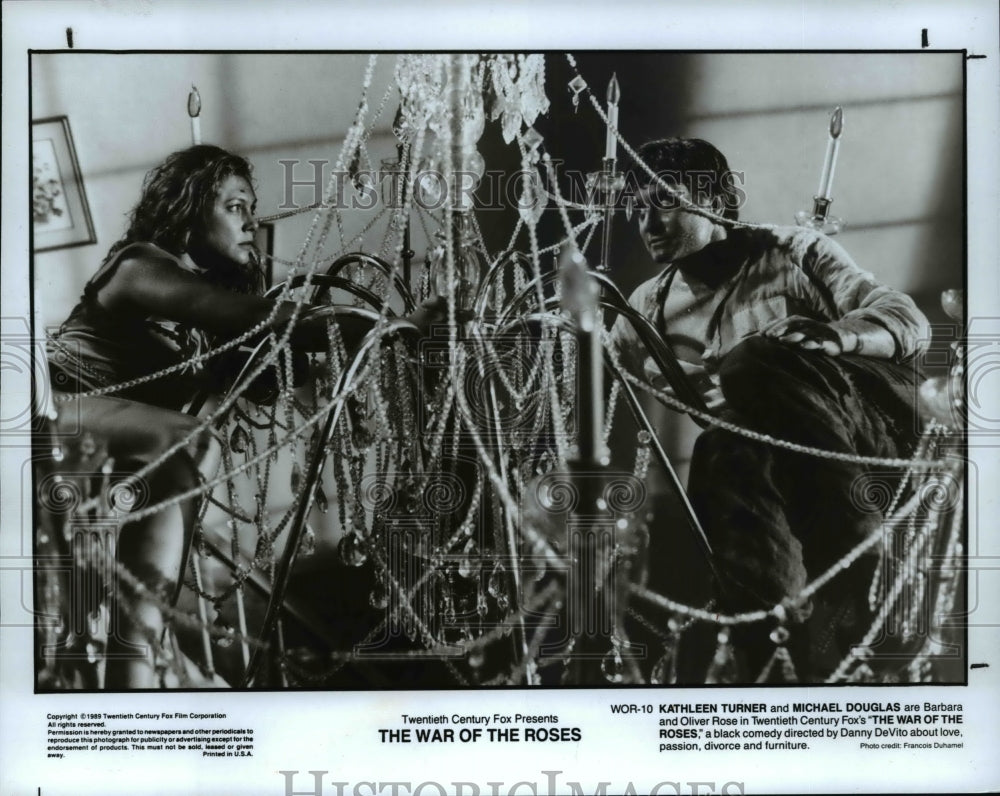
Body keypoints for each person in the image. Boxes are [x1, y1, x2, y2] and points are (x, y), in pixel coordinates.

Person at [44, 145, 439, 688]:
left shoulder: (202, 329)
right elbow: (258, 316)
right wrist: (392, 325)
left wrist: (359, 359)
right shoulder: (139, 265)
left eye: (251, 207)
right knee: (187, 440)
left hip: (104, 441)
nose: (251, 221)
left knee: (183, 453)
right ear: (187, 210)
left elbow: (275, 375)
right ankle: (134, 659)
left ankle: (140, 648)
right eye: (234, 206)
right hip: (47, 408)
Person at [609, 138, 931, 681]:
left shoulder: (792, 251)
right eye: (636, 207)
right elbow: (582, 360)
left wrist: (840, 337)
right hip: (764, 474)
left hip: (868, 443)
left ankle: (860, 577)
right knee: (720, 444)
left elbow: (908, 321)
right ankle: (772, 660)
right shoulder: (644, 309)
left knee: (752, 362)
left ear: (715, 200)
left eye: (665, 200)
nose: (649, 222)